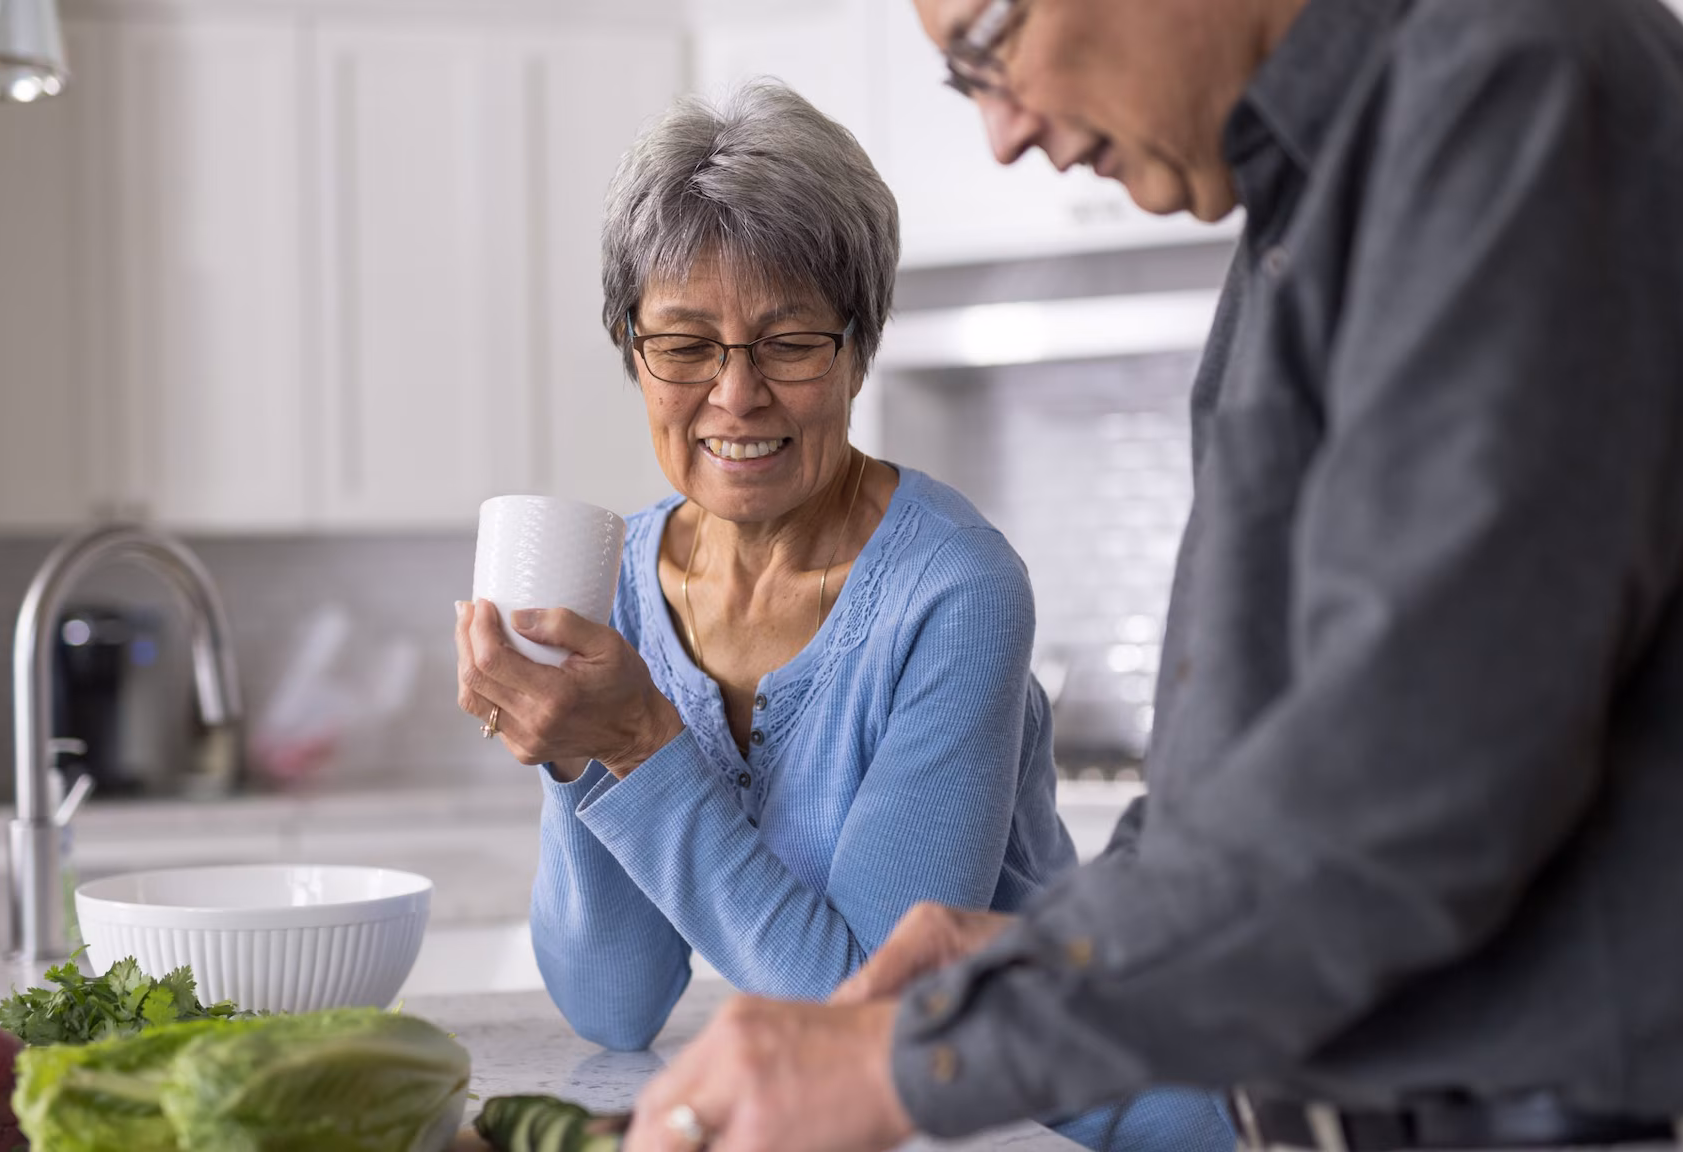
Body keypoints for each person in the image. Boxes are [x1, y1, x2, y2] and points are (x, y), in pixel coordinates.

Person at [619, 1, 1683, 1152]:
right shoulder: (1319, 191)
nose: (1003, 133)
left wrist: (931, 1050)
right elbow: (1245, 780)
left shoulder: (1519, 88)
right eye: (957, 82)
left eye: (987, 45)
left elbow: (1411, 770)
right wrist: (1033, 959)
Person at [452, 81, 1236, 1151]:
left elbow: (872, 1009)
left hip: (1092, 1115)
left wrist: (637, 742)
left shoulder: (953, 590)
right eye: (684, 345)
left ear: (858, 349)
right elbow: (613, 1007)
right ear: (633, 354)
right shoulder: (620, 581)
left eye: (787, 343)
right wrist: (573, 745)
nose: (734, 397)